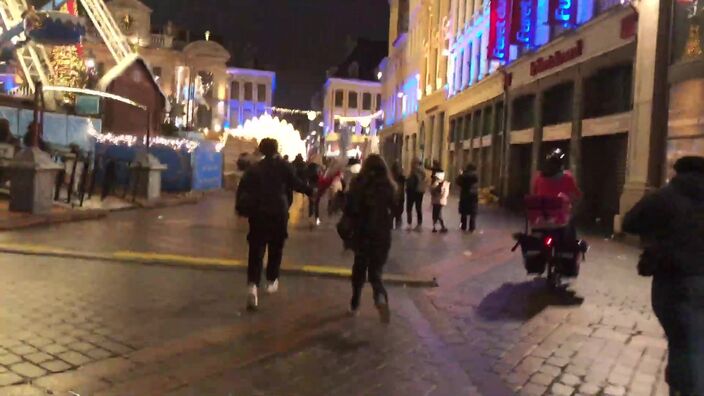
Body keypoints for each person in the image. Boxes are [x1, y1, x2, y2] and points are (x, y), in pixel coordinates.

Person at [622, 156, 704, 396]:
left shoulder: (664, 197)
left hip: (675, 281)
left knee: (682, 342)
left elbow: (630, 222)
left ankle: (685, 389)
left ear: (677, 172)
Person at [236, 138, 312, 310]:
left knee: (256, 250)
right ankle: (271, 280)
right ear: (276, 149)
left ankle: (253, 286)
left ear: (261, 150)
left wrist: (241, 209)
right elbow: (296, 183)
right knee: (276, 248)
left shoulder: (254, 169)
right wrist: (310, 191)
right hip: (278, 213)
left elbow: (243, 190)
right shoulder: (284, 166)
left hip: (258, 213)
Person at [343, 154, 397, 323]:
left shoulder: (358, 184)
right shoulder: (389, 186)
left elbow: (350, 209)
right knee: (375, 272)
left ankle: (355, 303)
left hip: (362, 234)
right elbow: (396, 210)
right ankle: (380, 297)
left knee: (359, 270)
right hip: (382, 235)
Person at [532, 148, 581, 241]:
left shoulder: (539, 178)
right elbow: (577, 195)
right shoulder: (567, 177)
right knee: (571, 222)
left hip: (540, 219)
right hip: (560, 221)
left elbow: (534, 194)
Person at [456, 163, 479, 232]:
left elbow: (458, 182)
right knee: (473, 213)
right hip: (473, 195)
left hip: (464, 195)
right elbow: (476, 181)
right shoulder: (475, 175)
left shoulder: (463, 175)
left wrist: (460, 174)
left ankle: (463, 226)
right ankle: (472, 228)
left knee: (464, 213)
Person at [405, 158, 427, 231]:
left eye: (414, 163)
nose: (412, 164)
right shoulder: (413, 171)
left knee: (416, 208)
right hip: (413, 191)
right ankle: (411, 224)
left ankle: (416, 225)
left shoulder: (420, 171)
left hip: (417, 191)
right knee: (411, 208)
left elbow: (422, 179)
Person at [390, 161, 406, 229]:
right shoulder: (402, 178)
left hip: (395, 198)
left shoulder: (392, 178)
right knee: (397, 215)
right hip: (399, 198)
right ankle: (397, 227)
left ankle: (393, 227)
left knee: (393, 215)